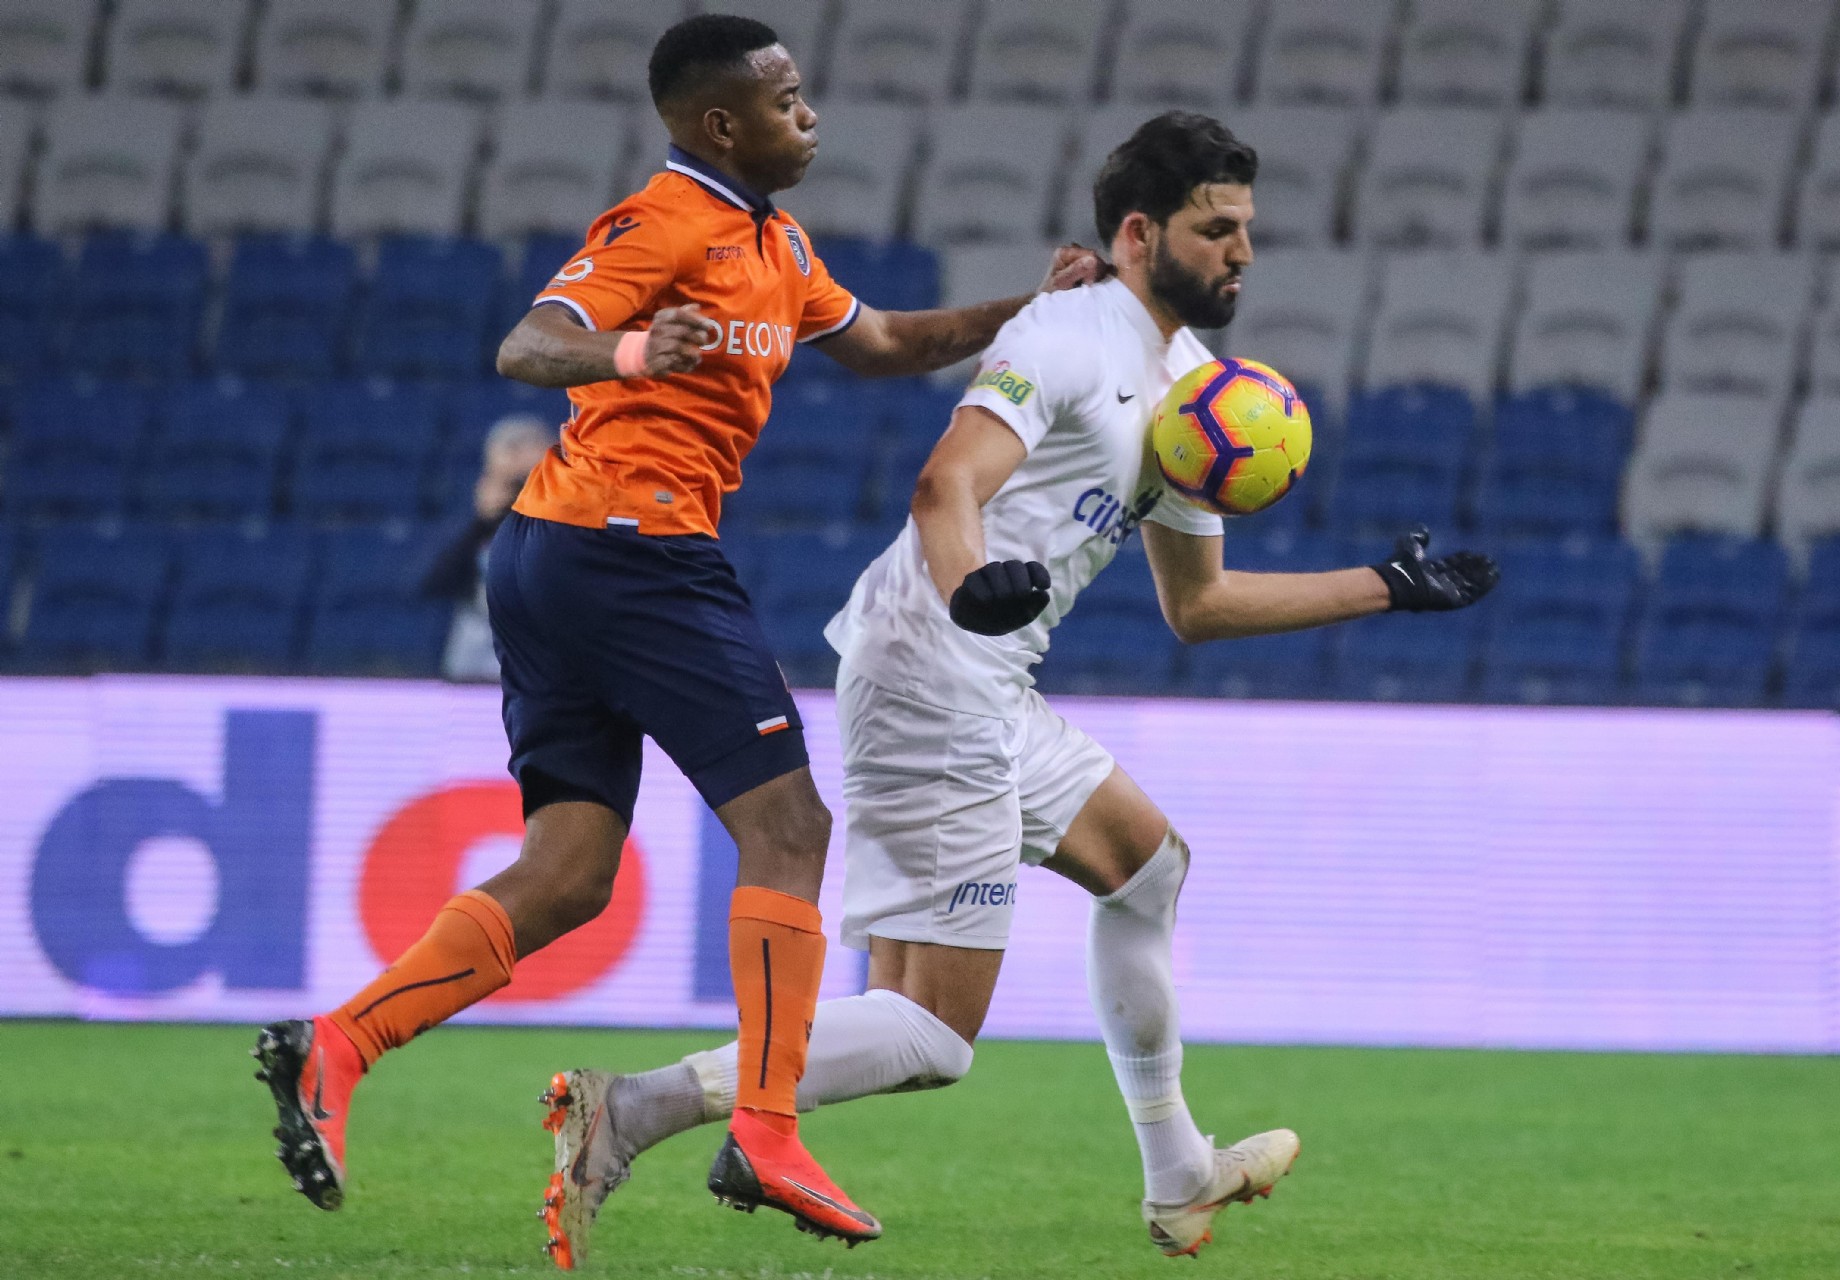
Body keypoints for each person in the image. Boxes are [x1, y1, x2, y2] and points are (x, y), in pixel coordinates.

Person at [548, 111, 1500, 1262]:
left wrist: (1385, 586)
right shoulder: (1067, 332)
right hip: (935, 667)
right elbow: (945, 485)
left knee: (1147, 865)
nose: (1242, 252)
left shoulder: (1197, 394)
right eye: (1216, 229)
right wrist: (971, 586)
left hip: (991, 681)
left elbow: (1198, 604)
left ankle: (1179, 1175)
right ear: (1140, 234)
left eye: (1247, 228)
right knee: (932, 1035)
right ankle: (633, 1107)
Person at [250, 12, 1102, 1263]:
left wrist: (1033, 308)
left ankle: (338, 1043)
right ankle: (766, 1125)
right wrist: (635, 347)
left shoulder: (776, 241)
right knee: (790, 829)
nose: (809, 116)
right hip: (630, 549)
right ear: (721, 123)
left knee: (570, 873)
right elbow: (528, 343)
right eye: (787, 100)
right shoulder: (665, 220)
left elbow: (883, 344)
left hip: (558, 555)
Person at [422, 414, 556, 682]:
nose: (520, 489)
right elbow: (432, 582)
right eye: (513, 483)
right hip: (479, 646)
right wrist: (482, 521)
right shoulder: (473, 524)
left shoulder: (573, 522)